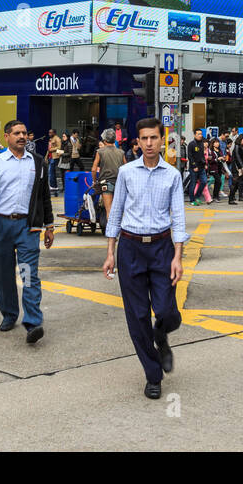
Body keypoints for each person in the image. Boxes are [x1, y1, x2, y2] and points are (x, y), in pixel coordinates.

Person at [102, 117, 186, 400]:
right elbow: (115, 213)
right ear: (137, 142)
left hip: (162, 248)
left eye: (154, 138)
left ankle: (161, 335)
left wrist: (178, 257)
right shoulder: (126, 172)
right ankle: (153, 375)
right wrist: (110, 252)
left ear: (162, 140)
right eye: (144, 139)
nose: (149, 143)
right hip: (130, 248)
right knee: (137, 317)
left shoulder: (173, 175)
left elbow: (180, 219)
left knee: (166, 312)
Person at [0, 119, 55, 344]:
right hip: (0, 226)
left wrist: (49, 226)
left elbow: (44, 197)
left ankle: (32, 322)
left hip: (27, 227)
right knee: (3, 273)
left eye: (24, 133)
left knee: (29, 274)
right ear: (6, 136)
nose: (21, 136)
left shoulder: (38, 163)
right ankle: (9, 314)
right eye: (16, 133)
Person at [92, 130, 125, 219]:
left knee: (109, 210)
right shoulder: (121, 152)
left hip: (106, 183)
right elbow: (126, 168)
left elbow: (94, 169)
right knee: (119, 210)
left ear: (105, 140)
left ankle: (111, 232)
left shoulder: (100, 152)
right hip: (119, 184)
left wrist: (95, 181)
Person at [185, 130, 207, 206]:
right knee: (193, 183)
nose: (200, 135)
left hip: (201, 167)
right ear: (194, 135)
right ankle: (192, 200)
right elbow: (190, 156)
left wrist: (205, 164)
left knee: (204, 181)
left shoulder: (201, 143)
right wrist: (194, 166)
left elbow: (202, 155)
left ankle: (197, 196)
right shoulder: (191, 144)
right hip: (194, 167)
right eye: (198, 134)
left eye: (201, 134)